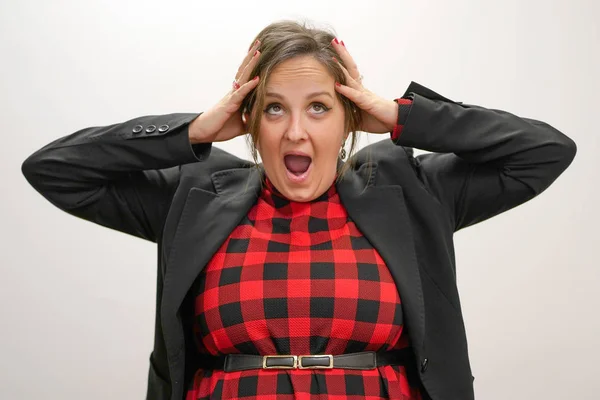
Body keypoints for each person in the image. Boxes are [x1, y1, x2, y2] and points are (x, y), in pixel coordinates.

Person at [21, 20, 577, 400]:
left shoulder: (410, 189)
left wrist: (402, 116)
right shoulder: (193, 194)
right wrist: (192, 130)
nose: (295, 131)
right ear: (249, 121)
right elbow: (55, 169)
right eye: (273, 109)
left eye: (318, 107)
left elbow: (543, 152)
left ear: (348, 119)